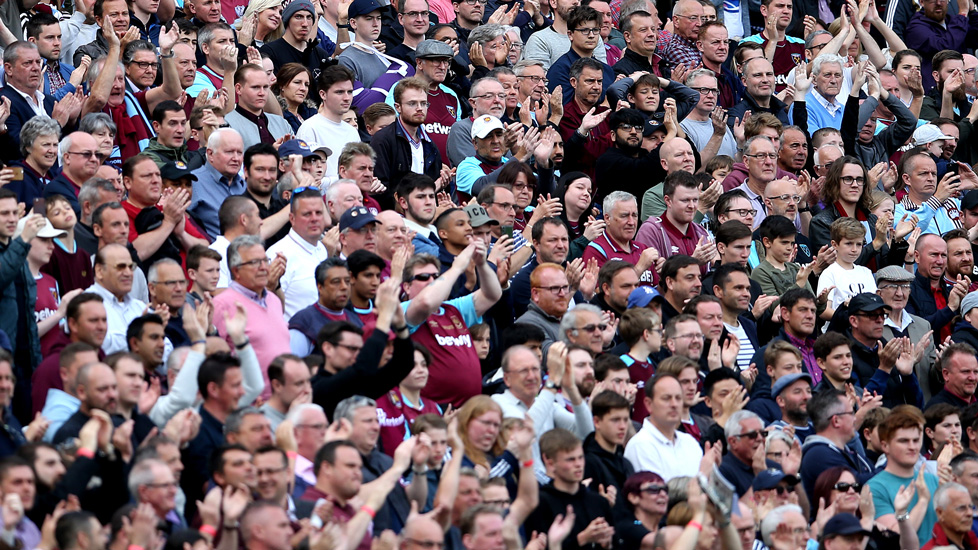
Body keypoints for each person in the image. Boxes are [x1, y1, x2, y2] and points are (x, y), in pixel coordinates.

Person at [866, 407, 940, 542]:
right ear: (885, 446)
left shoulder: (933, 480)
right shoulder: (874, 488)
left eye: (916, 440)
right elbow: (895, 539)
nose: (912, 447)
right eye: (904, 441)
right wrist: (923, 502)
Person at [624, 373, 703, 480]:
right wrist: (703, 475)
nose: (674, 404)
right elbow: (658, 494)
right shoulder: (640, 445)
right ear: (648, 404)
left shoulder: (690, 442)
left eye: (678, 398)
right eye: (666, 398)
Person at [265, 188, 329, 320]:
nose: (314, 219)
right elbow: (268, 305)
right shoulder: (279, 255)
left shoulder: (321, 249)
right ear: (292, 218)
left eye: (318, 213)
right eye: (307, 214)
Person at [799, 388, 874, 498]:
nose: (855, 419)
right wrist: (894, 464)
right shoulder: (819, 454)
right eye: (851, 413)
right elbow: (858, 483)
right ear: (836, 421)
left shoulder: (847, 451)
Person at [296, 65, 361, 181]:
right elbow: (304, 176)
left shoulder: (352, 131)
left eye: (350, 92)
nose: (347, 98)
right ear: (323, 94)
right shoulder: (310, 127)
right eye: (340, 92)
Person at [224, 64, 292, 149]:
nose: (262, 93)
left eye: (266, 87)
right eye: (255, 87)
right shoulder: (226, 125)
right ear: (238, 89)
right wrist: (272, 155)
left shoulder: (281, 123)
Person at [926, 343, 978, 409]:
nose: (972, 378)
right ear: (946, 374)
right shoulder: (937, 411)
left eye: (976, 372)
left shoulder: (975, 405)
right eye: (965, 372)